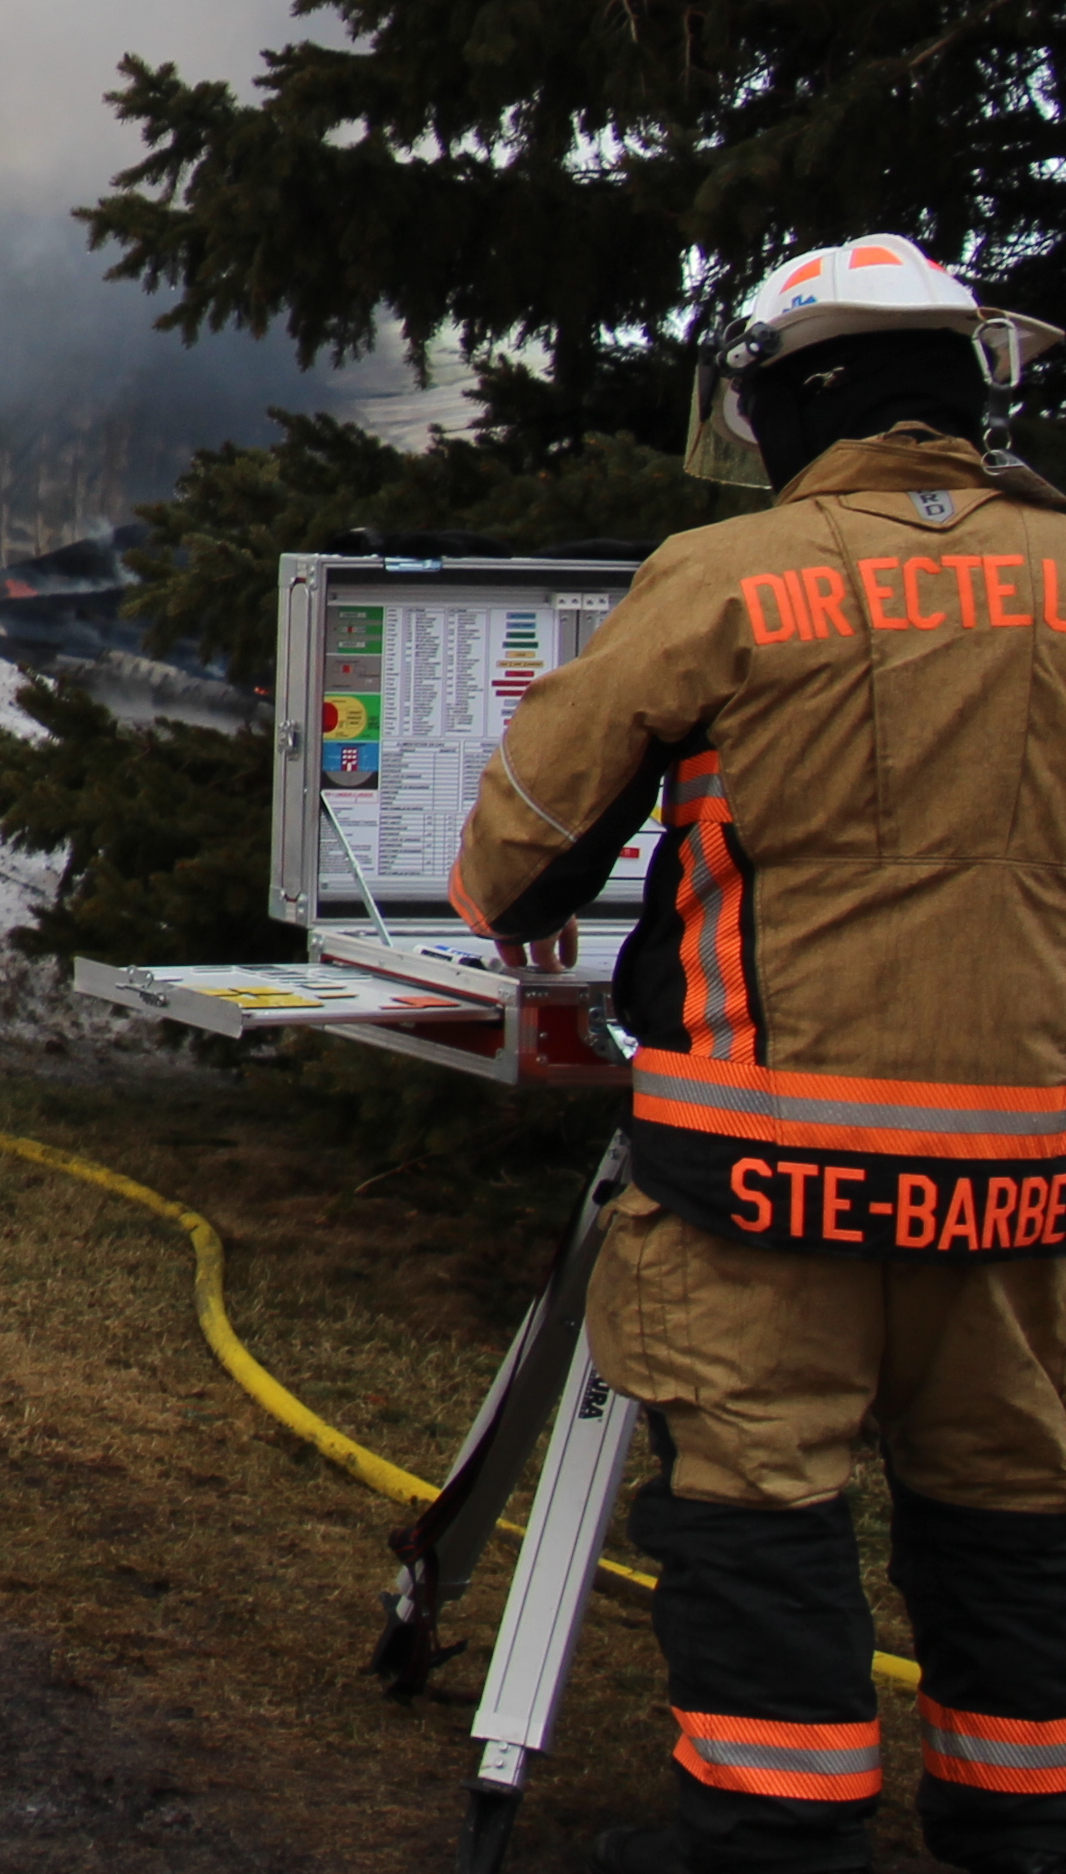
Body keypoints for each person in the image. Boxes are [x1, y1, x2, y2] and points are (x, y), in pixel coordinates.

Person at [453, 234, 1066, 1874]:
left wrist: (521, 856)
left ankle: (773, 1834)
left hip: (762, 1168)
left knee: (753, 1493)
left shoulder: (727, 579)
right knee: (1005, 1499)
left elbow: (518, 845)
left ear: (798, 398)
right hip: (1016, 1181)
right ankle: (1018, 1821)